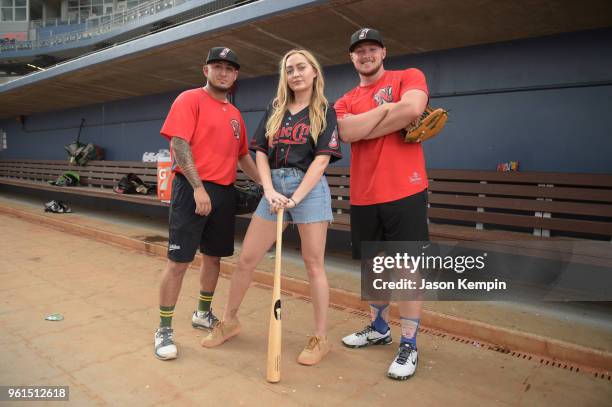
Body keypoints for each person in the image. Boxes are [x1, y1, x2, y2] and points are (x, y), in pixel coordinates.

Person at [201, 49, 342, 366]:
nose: (296, 74)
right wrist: (268, 189)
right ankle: (230, 320)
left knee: (313, 264)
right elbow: (260, 152)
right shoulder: (276, 108)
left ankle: (321, 338)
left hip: (309, 188)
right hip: (273, 188)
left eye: (302, 68)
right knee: (247, 258)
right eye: (290, 69)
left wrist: (296, 197)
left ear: (314, 72)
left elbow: (321, 160)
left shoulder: (324, 110)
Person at [334, 28, 430, 380]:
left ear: (384, 52)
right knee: (374, 270)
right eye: (359, 50)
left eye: (372, 48)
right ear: (352, 57)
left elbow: (414, 108)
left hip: (405, 189)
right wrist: (391, 112)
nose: (366, 54)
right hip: (364, 193)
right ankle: (378, 327)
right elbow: (345, 132)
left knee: (406, 270)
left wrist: (368, 124)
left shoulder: (408, 76)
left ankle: (409, 343)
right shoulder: (343, 100)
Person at [154, 47, 260, 360]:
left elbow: (242, 157)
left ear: (236, 74)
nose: (223, 72)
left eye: (229, 67)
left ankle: (202, 312)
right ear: (206, 70)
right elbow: (179, 143)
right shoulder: (189, 99)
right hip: (192, 188)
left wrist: (265, 185)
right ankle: (164, 329)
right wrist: (198, 187)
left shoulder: (236, 115)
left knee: (214, 258)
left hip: (224, 193)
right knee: (179, 262)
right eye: (217, 66)